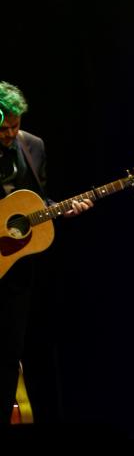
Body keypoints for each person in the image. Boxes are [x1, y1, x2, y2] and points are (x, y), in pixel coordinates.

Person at [0, 81, 92, 422]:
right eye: (3, 128)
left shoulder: (32, 146)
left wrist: (61, 208)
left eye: (15, 124)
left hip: (20, 268)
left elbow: (36, 200)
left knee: (15, 354)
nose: (10, 133)